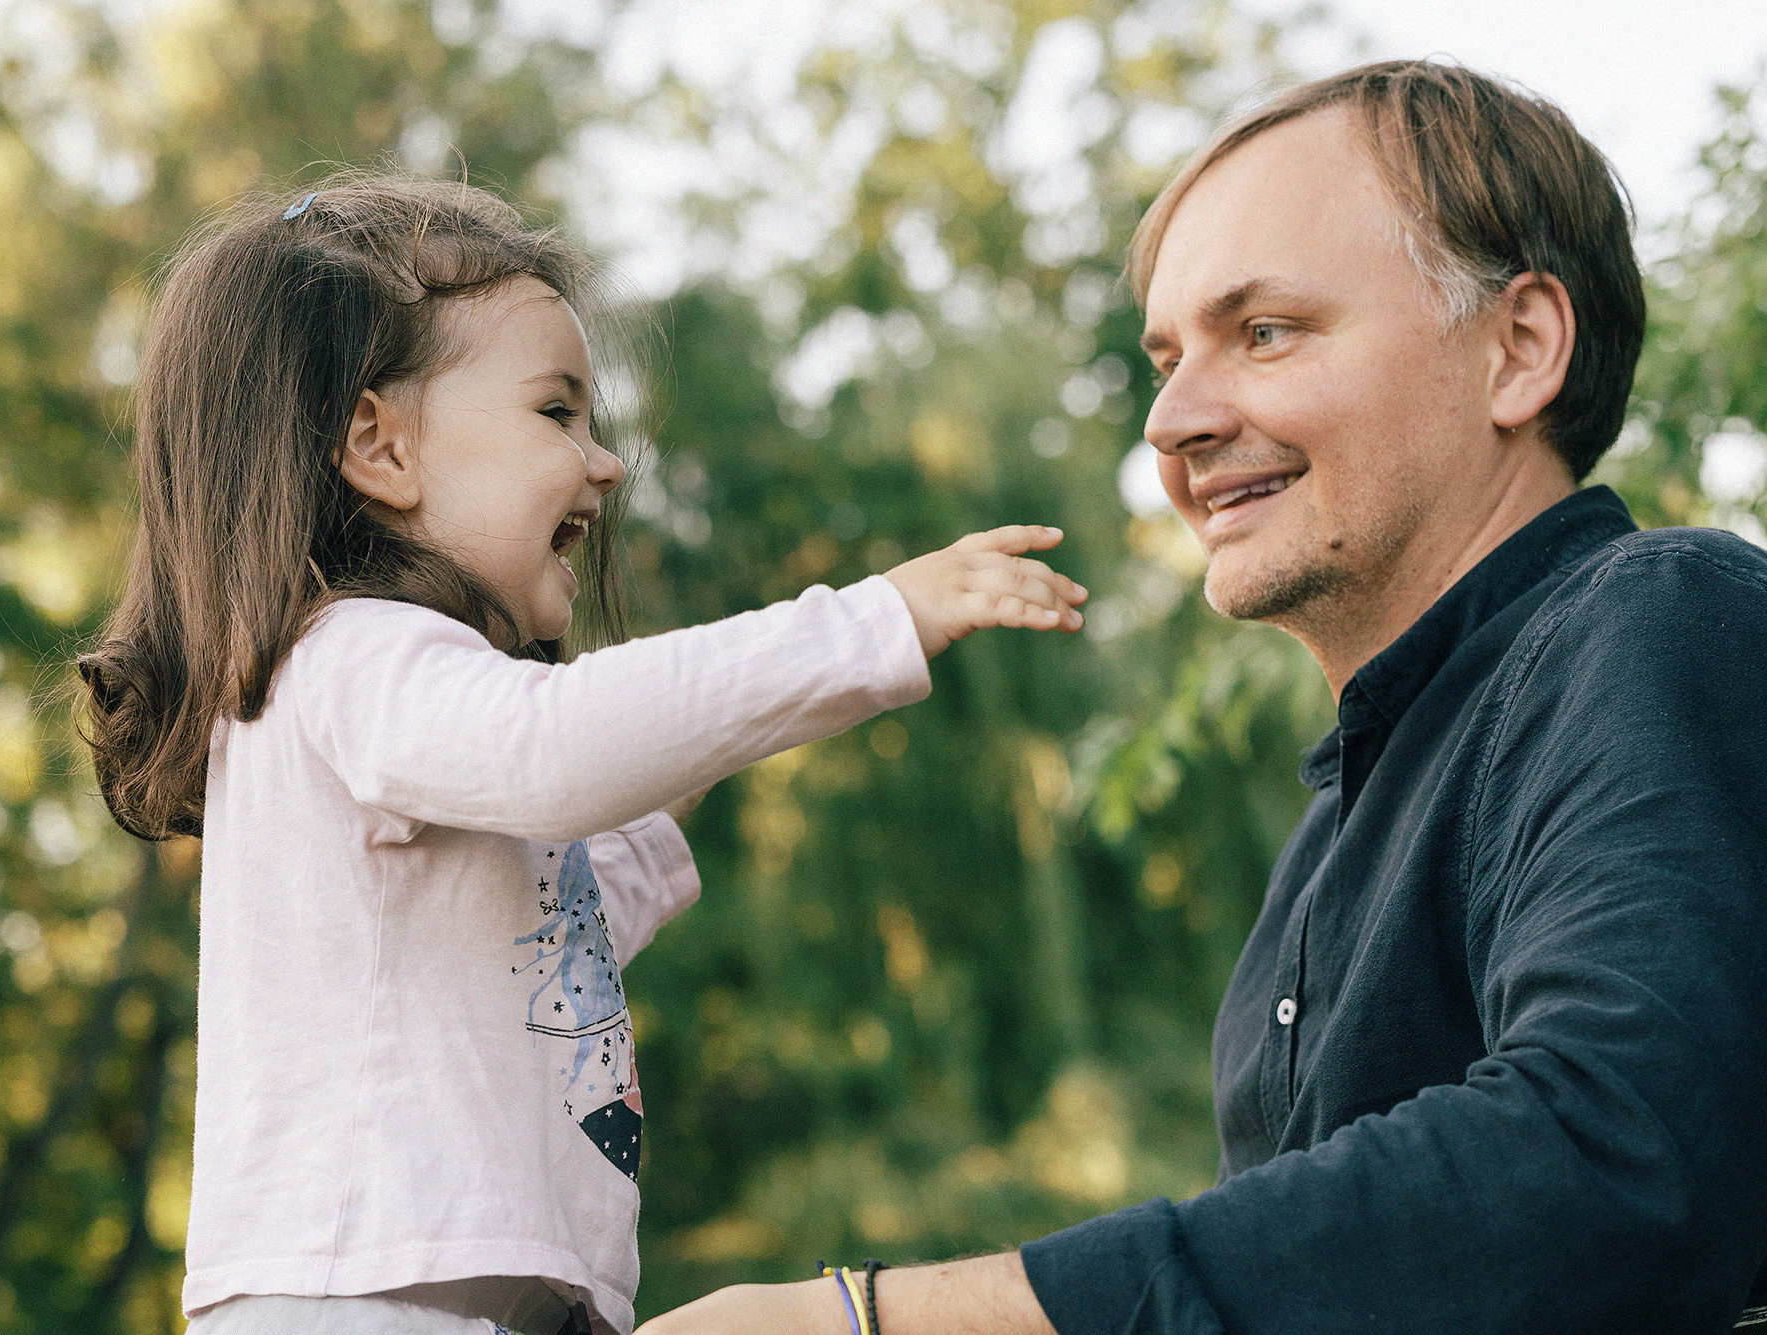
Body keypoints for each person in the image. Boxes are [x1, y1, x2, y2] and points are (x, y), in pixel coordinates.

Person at [642, 59, 1767, 1335]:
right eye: (1166, 359)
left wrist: (868, 1321)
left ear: (1517, 350)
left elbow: (1619, 1165)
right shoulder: (1335, 822)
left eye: (1263, 332)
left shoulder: (1657, 620)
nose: (1168, 421)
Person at [72, 175, 1086, 1335]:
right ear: (379, 445)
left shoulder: (383, 697)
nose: (604, 464)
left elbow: (543, 935)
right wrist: (868, 623)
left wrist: (682, 772)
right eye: (555, 413)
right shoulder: (349, 654)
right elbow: (555, 750)